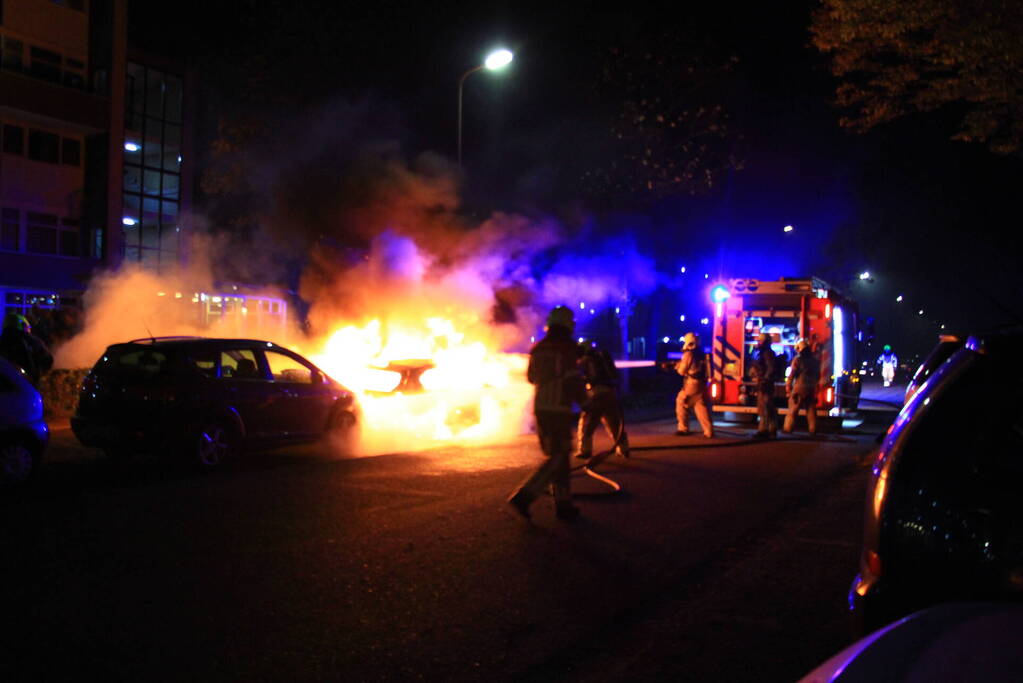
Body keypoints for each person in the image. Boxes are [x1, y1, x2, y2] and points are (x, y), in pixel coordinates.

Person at [508, 306, 586, 520]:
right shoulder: (567, 348)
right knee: (559, 457)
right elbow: (572, 379)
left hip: (541, 408)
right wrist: (585, 401)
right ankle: (524, 496)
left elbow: (531, 378)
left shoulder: (538, 348)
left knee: (558, 455)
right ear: (568, 325)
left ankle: (564, 505)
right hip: (559, 409)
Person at [575, 338, 630, 460]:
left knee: (586, 423)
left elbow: (580, 377)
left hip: (595, 394)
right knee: (614, 423)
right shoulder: (601, 357)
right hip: (610, 392)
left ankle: (585, 450)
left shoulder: (585, 361)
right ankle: (623, 448)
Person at [675, 332, 714, 438]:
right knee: (700, 405)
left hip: (692, 384)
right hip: (701, 384)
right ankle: (709, 431)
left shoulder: (688, 354)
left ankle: (683, 428)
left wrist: (677, 367)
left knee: (681, 401)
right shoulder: (701, 353)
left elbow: (682, 371)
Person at [0, 313, 54, 386]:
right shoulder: (31, 340)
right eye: (28, 326)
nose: (29, 329)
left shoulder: (2, 341)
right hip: (27, 386)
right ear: (23, 325)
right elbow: (48, 360)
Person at [783, 339, 822, 435]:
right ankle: (813, 429)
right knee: (811, 411)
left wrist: (788, 386)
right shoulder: (815, 360)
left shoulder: (798, 360)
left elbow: (792, 375)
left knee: (793, 410)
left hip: (799, 389)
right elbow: (818, 376)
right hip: (811, 388)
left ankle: (788, 429)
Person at [749, 331, 778, 438]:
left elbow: (770, 368)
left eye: (760, 341)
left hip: (765, 384)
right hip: (764, 382)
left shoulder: (767, 353)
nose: (758, 343)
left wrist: (765, 379)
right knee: (767, 407)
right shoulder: (763, 352)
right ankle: (771, 429)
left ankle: (764, 430)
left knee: (764, 407)